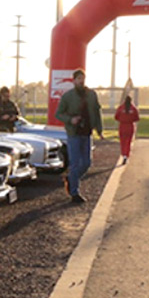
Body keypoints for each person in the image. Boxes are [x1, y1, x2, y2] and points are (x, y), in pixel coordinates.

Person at [55, 68, 104, 203]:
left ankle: (71, 179)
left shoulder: (92, 95)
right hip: (74, 133)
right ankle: (74, 192)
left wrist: (99, 129)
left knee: (87, 163)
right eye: (78, 79)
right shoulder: (68, 96)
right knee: (75, 163)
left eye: (83, 79)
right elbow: (58, 114)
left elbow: (97, 112)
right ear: (73, 80)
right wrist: (71, 120)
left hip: (87, 132)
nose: (81, 81)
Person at [114, 95, 139, 164]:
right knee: (128, 141)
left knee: (123, 141)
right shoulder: (133, 108)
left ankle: (123, 153)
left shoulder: (121, 108)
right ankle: (126, 155)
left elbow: (116, 117)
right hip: (130, 126)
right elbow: (137, 118)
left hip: (122, 126)